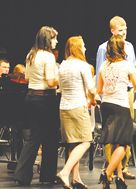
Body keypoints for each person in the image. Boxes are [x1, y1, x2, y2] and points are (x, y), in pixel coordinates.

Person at [97, 35, 136, 189]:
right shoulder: (127, 65)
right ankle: (107, 173)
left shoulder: (104, 66)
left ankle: (120, 179)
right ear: (121, 49)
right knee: (123, 143)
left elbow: (99, 90)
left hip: (106, 106)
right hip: (120, 106)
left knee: (113, 142)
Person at [14, 26, 60, 186]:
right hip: (45, 99)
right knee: (51, 138)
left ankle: (22, 174)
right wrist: (61, 76)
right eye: (54, 38)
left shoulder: (31, 54)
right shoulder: (48, 56)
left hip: (31, 97)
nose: (56, 41)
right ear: (48, 39)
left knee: (34, 137)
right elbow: (50, 81)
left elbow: (27, 77)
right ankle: (47, 175)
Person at [96, 15, 136, 180]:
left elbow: (132, 67)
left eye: (126, 30)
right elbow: (100, 71)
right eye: (121, 30)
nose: (124, 33)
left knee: (125, 132)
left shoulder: (130, 46)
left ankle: (123, 168)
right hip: (110, 94)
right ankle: (109, 167)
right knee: (111, 134)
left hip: (127, 92)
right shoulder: (102, 48)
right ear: (112, 31)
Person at [56, 36, 96, 189]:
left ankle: (76, 179)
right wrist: (93, 99)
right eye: (83, 46)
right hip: (78, 107)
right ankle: (65, 172)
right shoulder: (82, 65)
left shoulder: (63, 65)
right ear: (78, 47)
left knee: (73, 143)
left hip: (64, 107)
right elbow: (91, 89)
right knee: (86, 141)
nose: (85, 48)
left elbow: (59, 88)